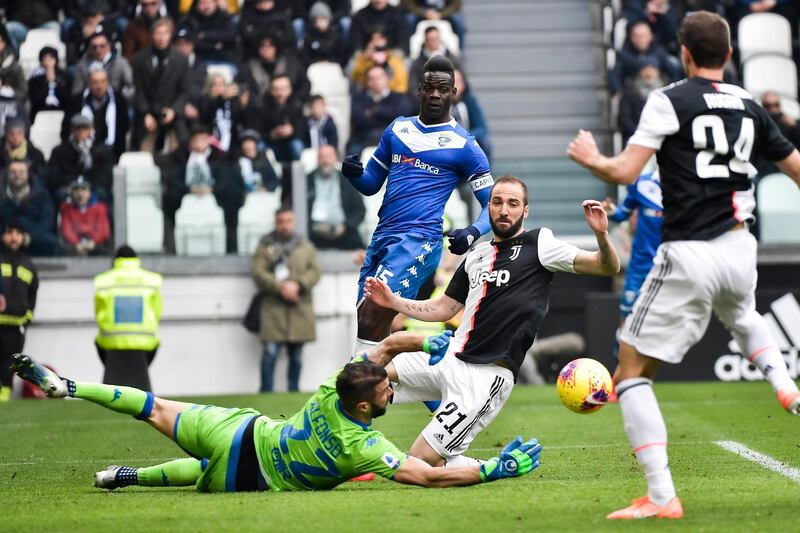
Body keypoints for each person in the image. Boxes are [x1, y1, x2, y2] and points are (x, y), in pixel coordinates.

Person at [566, 11, 800, 520]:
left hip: (690, 250)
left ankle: (660, 495)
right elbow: (797, 168)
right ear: (730, 55)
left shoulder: (669, 100)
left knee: (629, 371)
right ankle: (784, 383)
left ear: (684, 53)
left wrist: (591, 158)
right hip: (741, 247)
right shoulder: (749, 103)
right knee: (742, 315)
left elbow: (626, 170)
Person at [10, 330, 542, 491]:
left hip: (237, 430)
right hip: (249, 478)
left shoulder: (333, 389)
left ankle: (68, 386)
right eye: (386, 393)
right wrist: (496, 468)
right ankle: (128, 477)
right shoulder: (367, 446)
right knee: (198, 476)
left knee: (151, 406)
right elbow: (425, 476)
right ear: (364, 402)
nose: (391, 393)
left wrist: (418, 341)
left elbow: (382, 351)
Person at [362, 175, 619, 469]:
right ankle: (344, 454)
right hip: (448, 359)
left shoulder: (540, 244)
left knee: (421, 461)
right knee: (363, 374)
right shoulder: (477, 255)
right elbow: (443, 308)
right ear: (489, 207)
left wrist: (601, 235)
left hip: (485, 377)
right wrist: (393, 302)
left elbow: (606, 266)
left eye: (513, 203)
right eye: (497, 202)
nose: (504, 210)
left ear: (525, 211)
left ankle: (490, 467)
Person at [341, 55, 494, 355]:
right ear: (419, 89)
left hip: (419, 241)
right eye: (430, 87)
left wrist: (473, 232)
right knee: (371, 324)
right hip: (383, 236)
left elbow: (492, 204)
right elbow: (372, 183)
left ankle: (352, 386)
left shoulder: (465, 145)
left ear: (453, 93)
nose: (435, 94)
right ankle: (434, 398)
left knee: (372, 314)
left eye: (443, 88)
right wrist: (355, 176)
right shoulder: (397, 130)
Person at [251, 208, 322, 392]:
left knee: (297, 355)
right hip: (273, 309)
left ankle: (294, 391)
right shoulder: (265, 246)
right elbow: (258, 272)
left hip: (299, 308)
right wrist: (280, 286)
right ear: (276, 223)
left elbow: (315, 271)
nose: (285, 225)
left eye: (288, 221)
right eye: (281, 221)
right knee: (270, 353)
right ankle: (266, 392)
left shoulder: (306, 246)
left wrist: (299, 284)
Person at [602, 169, 662, 360]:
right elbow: (622, 214)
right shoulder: (642, 184)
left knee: (659, 324)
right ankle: (621, 373)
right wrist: (610, 211)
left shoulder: (686, 185)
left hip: (669, 267)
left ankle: (642, 375)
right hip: (639, 267)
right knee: (626, 322)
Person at [94, 245, 163, 391]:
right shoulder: (153, 280)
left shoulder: (102, 280)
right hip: (145, 341)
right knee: (154, 341)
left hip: (111, 341)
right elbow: (157, 313)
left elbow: (99, 315)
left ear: (115, 260)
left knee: (98, 340)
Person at [131, 17, 191, 153]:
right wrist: (145, 113)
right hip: (148, 113)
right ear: (152, 35)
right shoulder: (140, 59)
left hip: (172, 113)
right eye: (157, 33)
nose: (160, 37)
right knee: (141, 151)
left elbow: (184, 92)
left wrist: (173, 110)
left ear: (170, 35)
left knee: (181, 148)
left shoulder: (181, 60)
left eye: (164, 33)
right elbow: (139, 90)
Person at [0, 221, 39, 401]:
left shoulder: (28, 264)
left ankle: (5, 391)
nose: (14, 237)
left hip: (16, 326)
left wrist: (28, 317)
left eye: (18, 233)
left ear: (23, 237)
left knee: (11, 362)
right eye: (10, 232)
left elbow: (32, 294)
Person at [307, 144, 365, 250]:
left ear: (335, 158)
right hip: (314, 232)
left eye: (328, 156)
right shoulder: (306, 180)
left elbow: (360, 210)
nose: (325, 160)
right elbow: (298, 210)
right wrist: (314, 227)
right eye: (322, 157)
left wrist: (345, 226)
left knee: (362, 250)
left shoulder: (347, 180)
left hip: (344, 231)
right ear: (317, 159)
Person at [347, 64, 413, 155]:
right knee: (352, 155)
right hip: (364, 140)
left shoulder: (399, 97)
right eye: (371, 78)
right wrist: (387, 116)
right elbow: (359, 121)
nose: (376, 81)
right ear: (367, 82)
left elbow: (402, 117)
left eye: (379, 77)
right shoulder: (359, 99)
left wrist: (376, 111)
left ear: (387, 78)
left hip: (393, 139)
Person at [48, 114, 115, 204]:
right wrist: (74, 186)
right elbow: (55, 174)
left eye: (85, 128)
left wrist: (87, 188)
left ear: (91, 129)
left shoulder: (102, 150)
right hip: (69, 187)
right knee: (58, 195)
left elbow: (105, 175)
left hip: (93, 187)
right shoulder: (59, 151)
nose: (81, 131)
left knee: (102, 194)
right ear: (72, 130)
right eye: (77, 128)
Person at [65, 67, 130, 159]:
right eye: (95, 82)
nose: (99, 86)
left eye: (103, 82)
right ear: (89, 84)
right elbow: (67, 128)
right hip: (82, 153)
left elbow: (124, 127)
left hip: (113, 153)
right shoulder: (77, 101)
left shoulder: (119, 100)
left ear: (107, 83)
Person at [0, 160, 58, 256]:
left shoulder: (41, 194)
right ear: (8, 174)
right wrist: (6, 236)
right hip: (4, 238)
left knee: (50, 242)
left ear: (28, 174)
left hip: (32, 238)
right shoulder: (1, 194)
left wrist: (29, 237)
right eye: (13, 172)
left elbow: (47, 222)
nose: (17, 175)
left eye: (21, 172)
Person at [608, 20, 681, 95]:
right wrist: (620, 92)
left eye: (642, 36)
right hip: (634, 97)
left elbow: (674, 73)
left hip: (658, 94)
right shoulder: (624, 55)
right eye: (635, 36)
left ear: (650, 36)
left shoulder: (659, 53)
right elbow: (615, 76)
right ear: (630, 37)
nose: (639, 40)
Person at [71, 27, 135, 103]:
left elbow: (131, 85)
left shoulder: (121, 63)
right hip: (89, 103)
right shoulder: (82, 66)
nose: (98, 50)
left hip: (116, 102)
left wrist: (121, 99)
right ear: (89, 48)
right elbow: (76, 92)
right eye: (94, 47)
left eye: (102, 46)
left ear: (109, 46)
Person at [59, 176, 112, 256]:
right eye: (76, 190)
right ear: (72, 193)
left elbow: (104, 230)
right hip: (74, 245)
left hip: (95, 244)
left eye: (84, 190)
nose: (80, 194)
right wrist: (76, 243)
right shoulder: (66, 208)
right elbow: (66, 229)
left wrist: (93, 241)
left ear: (90, 192)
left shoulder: (100, 208)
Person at [351, 29, 409, 94]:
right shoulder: (364, 58)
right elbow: (356, 80)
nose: (376, 42)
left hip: (392, 96)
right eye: (373, 39)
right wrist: (365, 60)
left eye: (380, 38)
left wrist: (387, 92)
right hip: (369, 96)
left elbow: (401, 85)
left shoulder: (395, 58)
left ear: (386, 40)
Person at [409, 26, 460, 91]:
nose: (433, 42)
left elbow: (461, 81)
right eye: (431, 39)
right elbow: (413, 85)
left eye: (436, 39)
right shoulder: (417, 63)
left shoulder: (452, 59)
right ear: (425, 41)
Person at [26, 46, 70, 121]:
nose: (48, 62)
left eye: (51, 59)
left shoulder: (64, 78)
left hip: (61, 111)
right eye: (45, 59)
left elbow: (66, 98)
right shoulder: (35, 80)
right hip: (41, 112)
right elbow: (36, 100)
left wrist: (56, 81)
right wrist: (46, 82)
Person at [401, 0, 466, 48]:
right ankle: (407, 51)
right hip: (421, 14)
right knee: (409, 19)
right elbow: (408, 4)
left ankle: (460, 51)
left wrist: (441, 14)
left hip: (444, 14)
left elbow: (456, 4)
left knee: (458, 19)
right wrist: (423, 13)